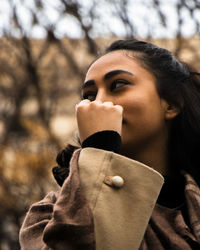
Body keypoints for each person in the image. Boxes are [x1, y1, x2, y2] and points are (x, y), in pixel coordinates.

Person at [19, 39, 200, 250]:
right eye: (89, 96)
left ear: (172, 103)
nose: (99, 103)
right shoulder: (49, 215)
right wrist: (100, 149)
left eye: (117, 85)